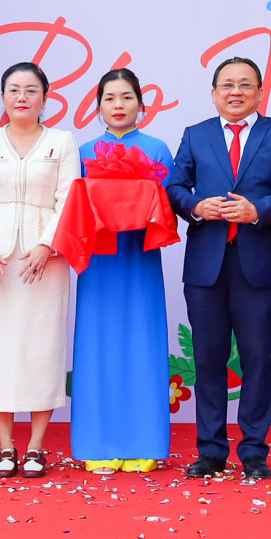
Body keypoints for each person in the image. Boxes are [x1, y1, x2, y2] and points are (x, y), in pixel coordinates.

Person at [166, 56, 271, 481]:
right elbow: (173, 186)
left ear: (260, 92)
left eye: (246, 84)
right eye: (227, 85)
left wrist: (257, 210)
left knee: (258, 359)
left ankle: (255, 452)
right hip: (206, 264)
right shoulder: (196, 134)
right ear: (214, 93)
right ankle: (210, 451)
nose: (236, 92)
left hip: (257, 262)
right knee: (208, 359)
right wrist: (196, 206)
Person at [0, 62, 80, 478]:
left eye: (32, 90)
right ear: (2, 98)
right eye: (14, 89)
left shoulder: (62, 142)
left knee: (41, 349)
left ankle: (34, 447)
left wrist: (47, 244)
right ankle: (5, 447)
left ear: (45, 99)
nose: (22, 97)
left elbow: (69, 200)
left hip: (45, 263)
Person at [73, 67, 175, 475]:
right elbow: (72, 211)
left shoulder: (158, 149)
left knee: (141, 346)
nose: (118, 105)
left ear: (142, 105)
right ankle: (98, 443)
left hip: (141, 261)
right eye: (110, 98)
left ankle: (143, 443)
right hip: (97, 263)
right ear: (98, 106)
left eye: (127, 97)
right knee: (97, 347)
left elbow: (170, 207)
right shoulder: (82, 152)